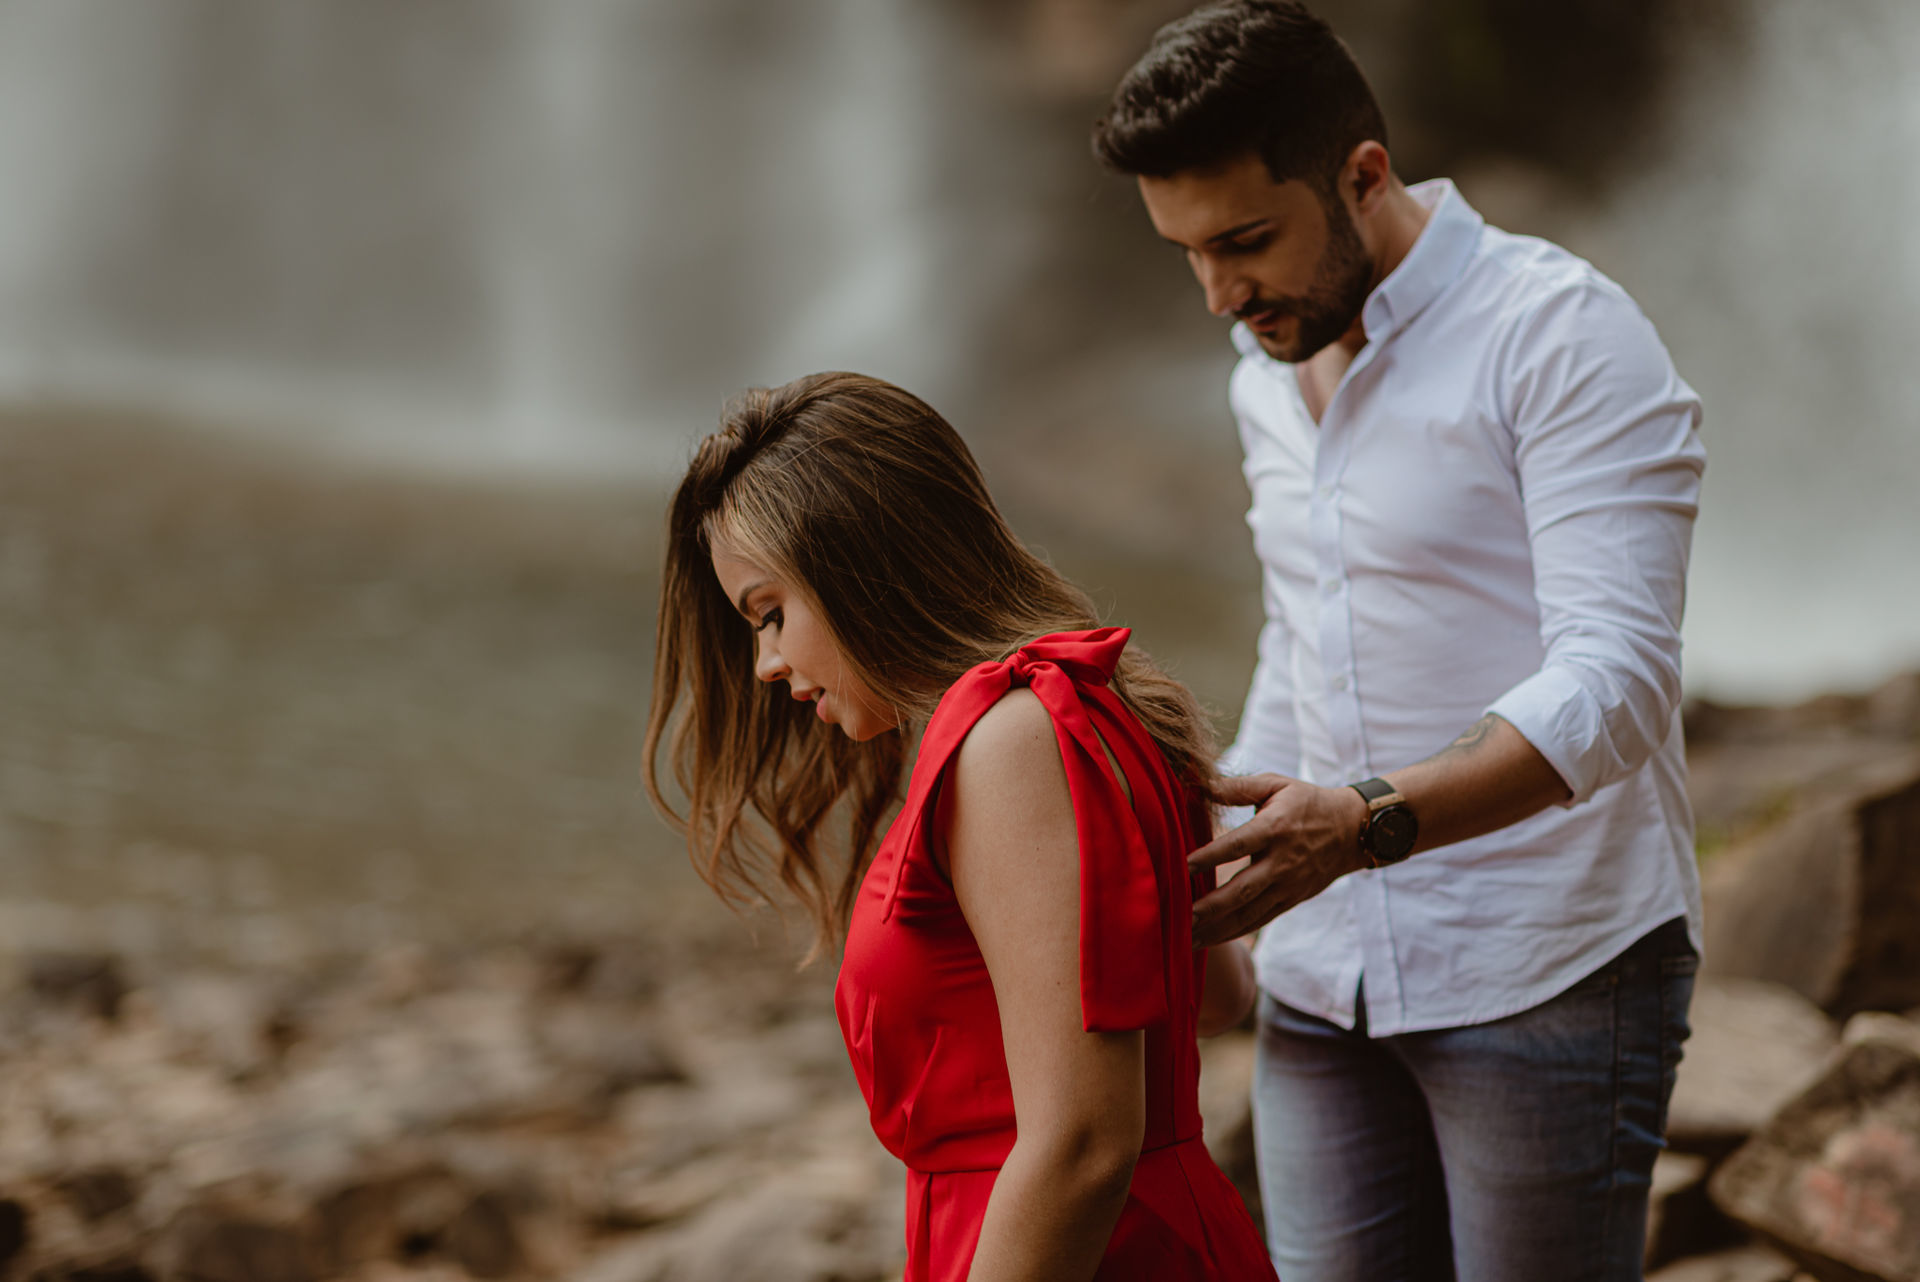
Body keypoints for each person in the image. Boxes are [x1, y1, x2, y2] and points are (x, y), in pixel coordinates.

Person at [1091, 3, 1707, 1279]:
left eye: (1246, 242)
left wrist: (1363, 823)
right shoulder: (1265, 367)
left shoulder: (1561, 334)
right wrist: (1211, 844)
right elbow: (1306, 635)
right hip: (1322, 985)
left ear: (1362, 175)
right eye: (1186, 255)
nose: (1218, 295)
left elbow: (1621, 680)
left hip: (1549, 969)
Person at [644, 371, 1277, 1282]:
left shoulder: (1012, 742)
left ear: (863, 562)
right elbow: (1214, 997)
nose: (765, 664)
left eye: (771, 615)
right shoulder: (1089, 705)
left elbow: (1086, 1142)